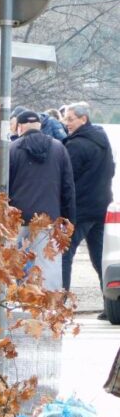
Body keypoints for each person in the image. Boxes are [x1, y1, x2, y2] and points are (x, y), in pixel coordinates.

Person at [9, 110, 76, 290]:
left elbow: (3, 188)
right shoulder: (59, 149)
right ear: (40, 126)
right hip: (49, 219)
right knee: (49, 269)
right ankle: (47, 310)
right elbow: (68, 188)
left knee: (14, 265)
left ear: (19, 127)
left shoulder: (11, 150)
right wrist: (69, 221)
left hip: (17, 218)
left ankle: (18, 306)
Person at [62, 102, 116, 318]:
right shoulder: (103, 141)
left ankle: (60, 304)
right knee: (100, 257)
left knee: (65, 254)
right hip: (102, 206)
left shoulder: (75, 146)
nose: (66, 124)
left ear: (83, 119)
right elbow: (112, 169)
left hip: (80, 210)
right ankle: (111, 304)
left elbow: (66, 179)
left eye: (70, 119)